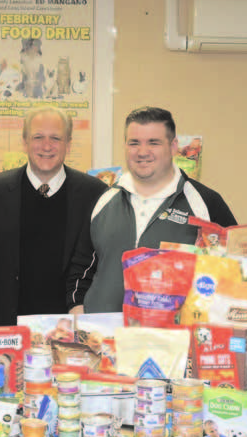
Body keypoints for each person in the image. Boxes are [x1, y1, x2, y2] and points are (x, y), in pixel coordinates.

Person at [83, 106, 237, 313]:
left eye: (153, 143)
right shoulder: (103, 199)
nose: (142, 152)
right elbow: (81, 264)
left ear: (173, 146)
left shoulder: (205, 202)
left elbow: (233, 270)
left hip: (173, 339)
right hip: (103, 336)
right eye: (134, 143)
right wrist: (76, 307)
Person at [0, 106, 108, 326]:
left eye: (55, 138)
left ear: (68, 144)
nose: (46, 146)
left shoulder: (95, 193)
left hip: (69, 327)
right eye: (38, 137)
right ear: (24, 142)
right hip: (6, 326)